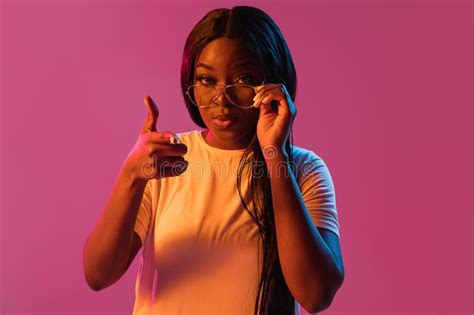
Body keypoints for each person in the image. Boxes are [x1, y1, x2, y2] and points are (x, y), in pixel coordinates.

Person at [83, 5, 345, 315]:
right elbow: (98, 275)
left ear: (273, 84)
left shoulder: (303, 170)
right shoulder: (165, 160)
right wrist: (132, 176)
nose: (222, 98)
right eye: (207, 80)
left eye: (243, 79)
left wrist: (275, 157)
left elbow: (316, 294)